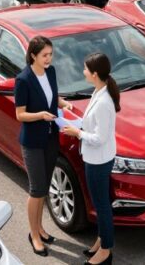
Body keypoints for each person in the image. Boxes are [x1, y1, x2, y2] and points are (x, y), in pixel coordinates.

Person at [15, 35, 73, 257]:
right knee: (36, 189)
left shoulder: (51, 72)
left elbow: (53, 97)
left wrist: (63, 103)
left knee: (44, 188)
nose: (49, 58)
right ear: (33, 55)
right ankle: (34, 235)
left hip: (51, 138)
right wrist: (40, 115)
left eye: (51, 54)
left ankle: (39, 228)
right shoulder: (24, 80)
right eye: (45, 55)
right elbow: (20, 114)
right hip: (33, 142)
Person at [62, 52, 120, 265]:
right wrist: (77, 125)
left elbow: (100, 138)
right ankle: (101, 240)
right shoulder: (99, 91)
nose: (83, 72)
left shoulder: (104, 101)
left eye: (86, 69)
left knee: (101, 205)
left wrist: (77, 134)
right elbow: (93, 125)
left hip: (99, 160)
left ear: (94, 74)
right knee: (99, 202)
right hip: (96, 157)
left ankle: (105, 251)